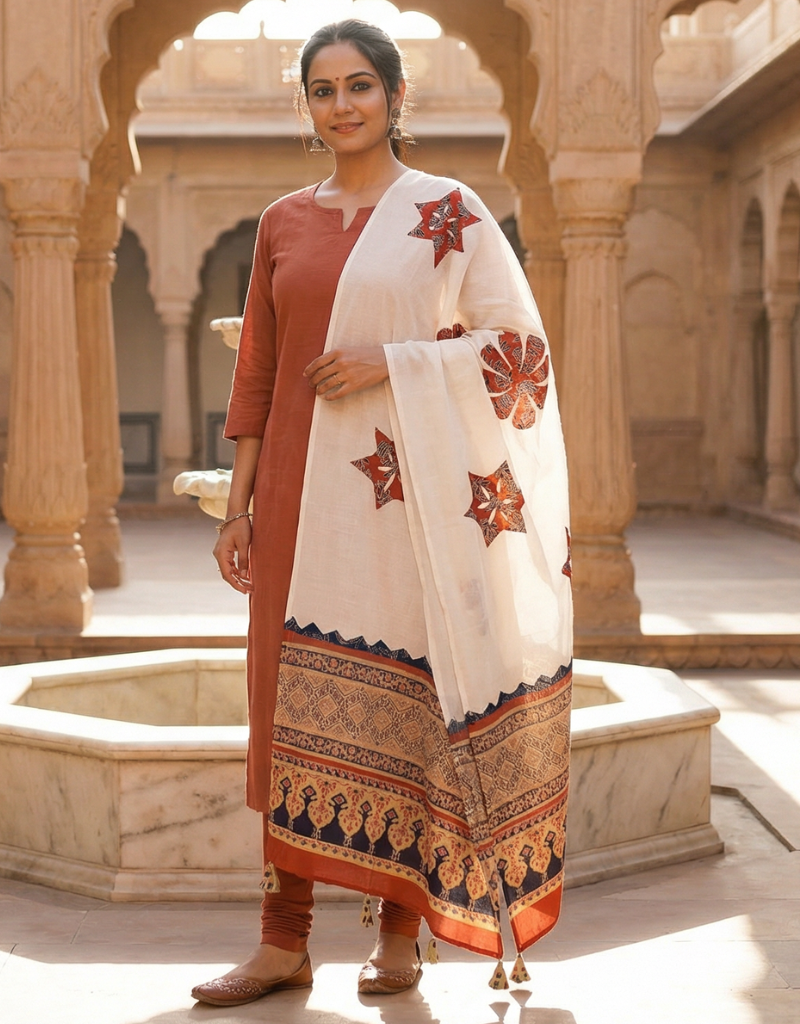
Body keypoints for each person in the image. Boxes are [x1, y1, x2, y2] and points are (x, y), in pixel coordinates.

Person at [192, 18, 573, 1008]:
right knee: (280, 718)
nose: (342, 105)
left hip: (400, 498)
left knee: (403, 703)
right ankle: (282, 942)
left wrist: (394, 364)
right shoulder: (283, 220)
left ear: (396, 98)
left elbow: (520, 357)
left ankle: (400, 937)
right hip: (291, 496)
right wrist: (236, 508)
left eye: (360, 85)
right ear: (307, 107)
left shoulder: (448, 211)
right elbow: (259, 373)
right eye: (323, 90)